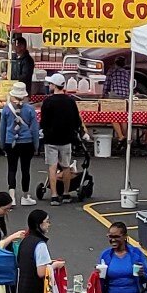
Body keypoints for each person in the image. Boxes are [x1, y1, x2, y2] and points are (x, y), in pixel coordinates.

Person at [39, 74, 84, 206]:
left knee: (52, 167)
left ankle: (54, 195)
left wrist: (45, 131)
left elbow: (44, 121)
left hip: (51, 139)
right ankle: (66, 193)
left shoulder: (48, 102)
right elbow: (76, 120)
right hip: (66, 138)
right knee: (66, 166)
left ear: (53, 85)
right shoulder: (70, 101)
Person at [17, 209, 58, 293]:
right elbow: (41, 272)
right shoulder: (40, 245)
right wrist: (55, 265)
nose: (48, 224)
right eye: (46, 222)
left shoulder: (25, 242)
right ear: (39, 224)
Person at [0, 84, 40, 205]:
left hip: (10, 142)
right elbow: (34, 129)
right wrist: (36, 145)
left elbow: (2, 128)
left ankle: (11, 197)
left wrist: (3, 144)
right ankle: (25, 196)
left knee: (11, 169)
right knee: (25, 169)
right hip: (27, 142)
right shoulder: (30, 109)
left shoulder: (6, 109)